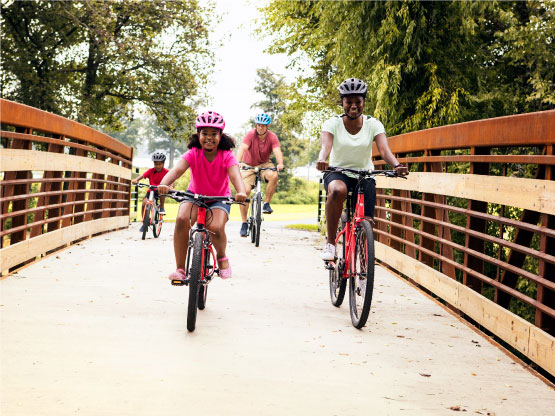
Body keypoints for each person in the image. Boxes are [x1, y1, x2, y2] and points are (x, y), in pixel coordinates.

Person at [316, 78, 408, 261]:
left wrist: (396, 165)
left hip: (364, 174)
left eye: (358, 102)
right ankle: (330, 243)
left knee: (366, 220)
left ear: (364, 102)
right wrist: (321, 160)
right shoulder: (332, 123)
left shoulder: (373, 124)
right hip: (337, 172)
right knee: (337, 190)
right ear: (342, 102)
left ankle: (363, 258)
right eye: (348, 102)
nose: (353, 106)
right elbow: (325, 147)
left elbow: (384, 150)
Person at [157, 111, 247, 282]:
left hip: (220, 198)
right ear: (198, 134)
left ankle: (221, 257)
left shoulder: (227, 155)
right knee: (182, 219)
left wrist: (241, 192)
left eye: (214, 134)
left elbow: (235, 176)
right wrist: (164, 184)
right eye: (205, 133)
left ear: (221, 135)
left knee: (216, 227)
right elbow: (177, 171)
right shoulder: (193, 153)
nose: (209, 138)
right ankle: (181, 269)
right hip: (194, 196)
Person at [236, 113, 284, 237]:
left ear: (267, 126)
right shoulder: (250, 135)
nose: (260, 128)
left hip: (265, 164)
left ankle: (266, 204)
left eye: (263, 126)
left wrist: (280, 163)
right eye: (258, 125)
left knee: (274, 175)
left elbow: (277, 151)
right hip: (248, 165)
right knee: (245, 192)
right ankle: (244, 223)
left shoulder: (272, 137)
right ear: (256, 125)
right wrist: (239, 162)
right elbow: (242, 148)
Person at [132, 152, 169, 232]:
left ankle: (162, 207)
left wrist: (171, 186)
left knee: (162, 191)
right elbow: (143, 176)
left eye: (160, 164)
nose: (158, 166)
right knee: (144, 204)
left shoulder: (166, 172)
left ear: (163, 163)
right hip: (151, 191)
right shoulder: (151, 171)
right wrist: (136, 180)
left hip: (160, 190)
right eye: (156, 164)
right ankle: (144, 223)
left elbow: (172, 180)